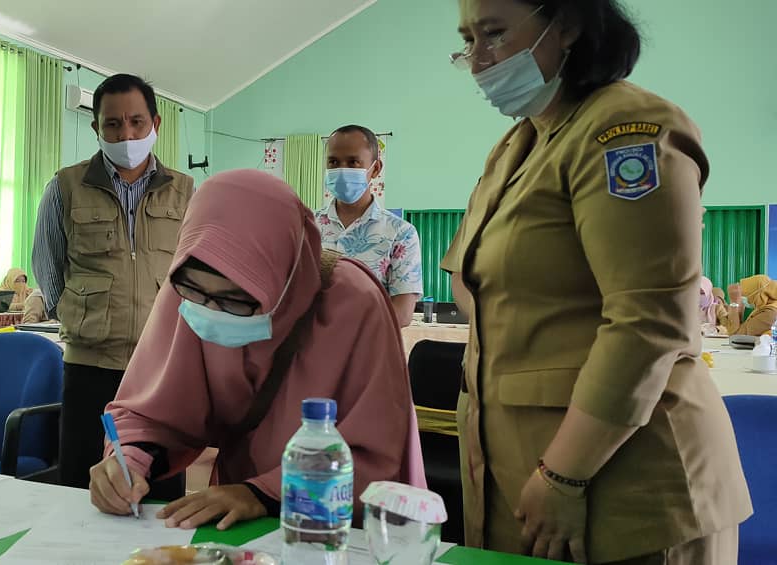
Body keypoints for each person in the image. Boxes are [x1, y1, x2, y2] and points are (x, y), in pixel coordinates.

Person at [443, 1, 750, 563]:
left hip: (622, 480)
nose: (481, 60)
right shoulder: (516, 147)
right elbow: (468, 276)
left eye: (495, 33)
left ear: (567, 24)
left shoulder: (625, 129)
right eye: (468, 41)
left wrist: (564, 474)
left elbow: (647, 319)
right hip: (521, 475)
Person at [89, 170, 423, 530]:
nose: (210, 315)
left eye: (236, 301)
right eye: (198, 296)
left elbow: (377, 454)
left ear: (282, 275)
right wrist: (129, 461)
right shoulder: (188, 288)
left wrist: (263, 494)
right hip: (237, 519)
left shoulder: (356, 305)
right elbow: (152, 410)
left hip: (332, 526)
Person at [32, 73, 194, 489]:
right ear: (96, 128)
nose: (126, 134)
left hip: (159, 369)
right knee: (82, 489)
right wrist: (80, 314)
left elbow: (195, 272)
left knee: (159, 487)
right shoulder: (65, 187)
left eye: (137, 122)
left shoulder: (186, 192)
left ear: (156, 125)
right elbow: (48, 268)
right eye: (113, 124)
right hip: (89, 367)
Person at [316, 125, 423, 327]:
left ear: (375, 169)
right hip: (308, 352)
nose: (342, 169)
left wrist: (343, 330)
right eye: (333, 162)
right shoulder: (305, 226)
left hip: (368, 352)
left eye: (353, 162)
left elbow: (402, 312)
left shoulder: (400, 233)